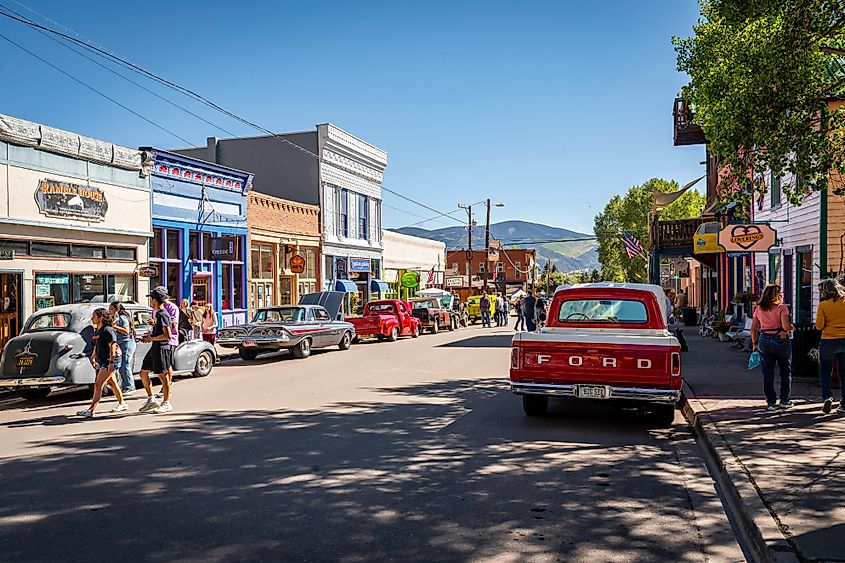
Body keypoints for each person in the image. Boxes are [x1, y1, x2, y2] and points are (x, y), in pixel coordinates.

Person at [750, 284, 795, 411]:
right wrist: (792, 327)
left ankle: (771, 402)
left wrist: (754, 343)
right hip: (780, 340)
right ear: (777, 294)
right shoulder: (782, 308)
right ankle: (785, 400)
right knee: (785, 371)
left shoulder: (758, 308)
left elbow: (753, 329)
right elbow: (786, 327)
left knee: (767, 373)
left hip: (764, 339)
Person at [77, 308, 126, 418]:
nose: (92, 318)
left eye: (94, 316)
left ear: (101, 318)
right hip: (104, 360)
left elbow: (112, 346)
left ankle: (91, 410)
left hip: (110, 360)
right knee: (112, 382)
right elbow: (97, 345)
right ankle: (122, 403)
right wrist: (93, 357)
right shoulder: (98, 330)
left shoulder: (108, 330)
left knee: (98, 384)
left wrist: (111, 362)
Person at [138, 288, 174, 414]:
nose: (150, 301)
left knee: (163, 376)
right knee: (143, 373)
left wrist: (150, 338)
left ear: (154, 300)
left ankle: (166, 402)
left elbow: (167, 335)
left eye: (151, 299)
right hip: (155, 347)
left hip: (161, 347)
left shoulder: (162, 314)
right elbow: (161, 330)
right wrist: (154, 326)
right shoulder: (158, 315)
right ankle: (151, 399)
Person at [816, 278, 845, 414]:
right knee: (843, 373)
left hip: (828, 340)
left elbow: (819, 326)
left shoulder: (823, 305)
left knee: (825, 371)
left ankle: (827, 397)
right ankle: (844, 403)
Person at [109, 301, 136, 395]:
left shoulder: (123, 318)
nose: (110, 311)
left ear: (117, 310)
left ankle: (129, 386)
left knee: (125, 364)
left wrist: (115, 326)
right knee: (120, 365)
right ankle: (124, 385)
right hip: (119, 343)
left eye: (112, 309)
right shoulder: (113, 318)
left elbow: (126, 331)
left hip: (126, 343)